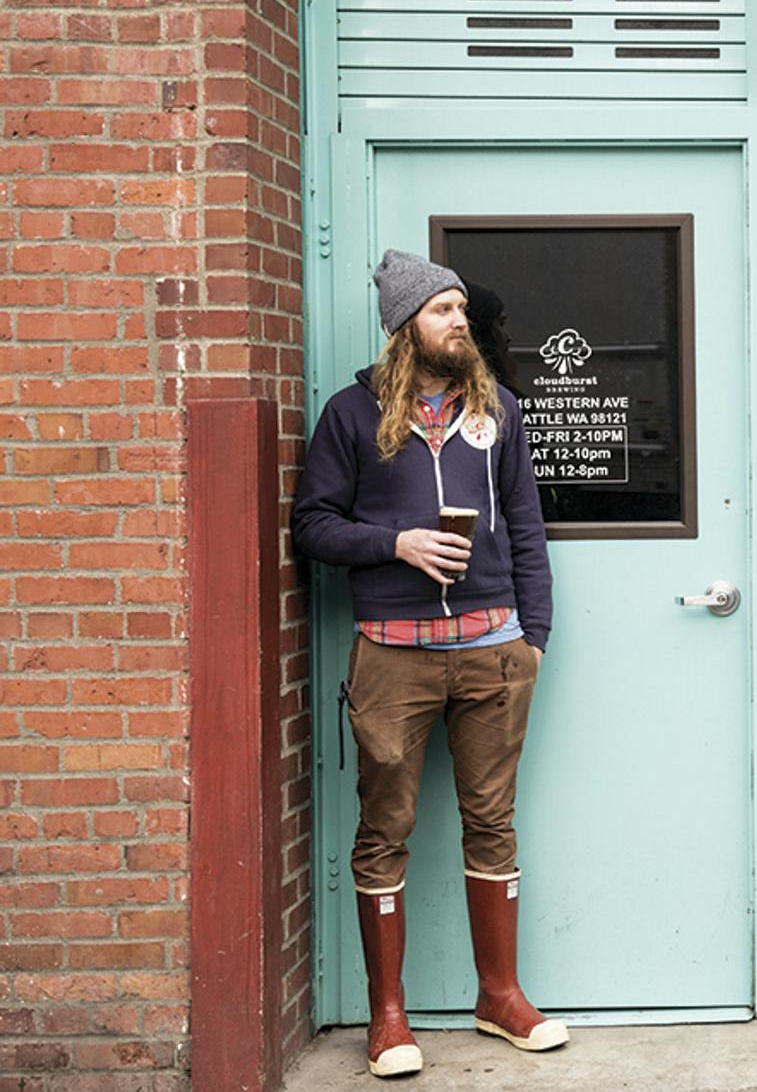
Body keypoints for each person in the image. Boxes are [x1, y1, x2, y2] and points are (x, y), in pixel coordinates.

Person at [292, 249, 565, 1077]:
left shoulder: (500, 411)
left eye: (462, 310)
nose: (461, 323)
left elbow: (526, 528)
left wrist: (533, 637)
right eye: (444, 310)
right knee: (385, 830)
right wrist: (395, 543)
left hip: (492, 653)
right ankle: (387, 1016)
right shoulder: (351, 414)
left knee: (492, 822)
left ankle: (501, 997)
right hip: (393, 658)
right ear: (406, 324)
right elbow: (311, 526)